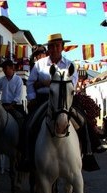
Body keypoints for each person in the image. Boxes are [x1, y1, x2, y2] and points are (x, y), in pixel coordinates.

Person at [25, 33, 106, 171]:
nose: (54, 48)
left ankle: (89, 151)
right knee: (29, 123)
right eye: (51, 46)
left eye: (57, 45)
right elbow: (30, 83)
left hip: (66, 100)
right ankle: (26, 156)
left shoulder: (70, 65)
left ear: (62, 47)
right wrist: (32, 97)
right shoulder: (39, 65)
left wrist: (50, 83)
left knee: (82, 120)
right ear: (48, 49)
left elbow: (73, 85)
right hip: (44, 99)